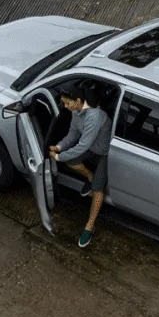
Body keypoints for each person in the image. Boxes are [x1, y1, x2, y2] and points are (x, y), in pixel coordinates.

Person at [49, 82, 112, 248]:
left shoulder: (94, 116)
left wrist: (59, 157)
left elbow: (83, 145)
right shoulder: (76, 112)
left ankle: (90, 225)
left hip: (106, 152)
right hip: (92, 148)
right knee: (72, 161)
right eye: (64, 103)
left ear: (78, 100)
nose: (66, 106)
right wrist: (60, 147)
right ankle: (89, 177)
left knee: (98, 188)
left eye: (68, 103)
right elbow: (72, 134)